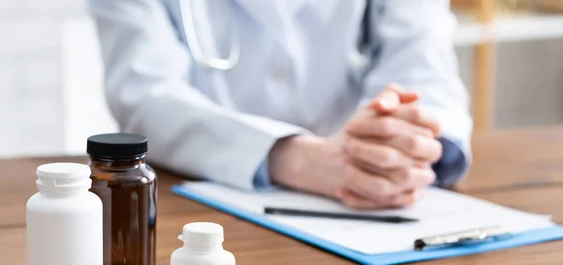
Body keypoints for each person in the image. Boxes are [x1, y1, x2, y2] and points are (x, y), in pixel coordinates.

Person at [88, 0, 472, 209]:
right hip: (208, 203)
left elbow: (426, 71)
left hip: (372, 201)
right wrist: (293, 157)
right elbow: (145, 95)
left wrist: (403, 144)